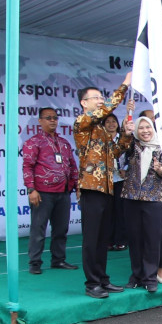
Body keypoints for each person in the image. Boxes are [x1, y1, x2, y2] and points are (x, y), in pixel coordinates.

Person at [74, 73, 133, 299]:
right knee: (92, 238)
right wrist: (124, 85)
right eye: (96, 97)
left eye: (101, 97)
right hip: (91, 188)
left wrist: (126, 137)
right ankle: (92, 283)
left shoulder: (100, 130)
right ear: (84, 103)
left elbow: (115, 153)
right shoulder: (82, 122)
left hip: (107, 187)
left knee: (103, 237)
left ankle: (102, 279)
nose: (100, 100)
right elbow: (106, 109)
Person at [21, 107, 79, 275]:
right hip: (42, 192)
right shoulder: (34, 142)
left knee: (61, 229)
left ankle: (58, 260)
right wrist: (31, 189)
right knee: (38, 228)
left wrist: (76, 186)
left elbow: (72, 166)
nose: (52, 120)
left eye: (54, 117)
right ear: (40, 121)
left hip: (63, 192)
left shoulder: (64, 143)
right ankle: (35, 263)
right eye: (48, 118)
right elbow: (28, 166)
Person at [121, 116, 162, 293]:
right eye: (141, 128)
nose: (145, 131)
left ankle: (150, 277)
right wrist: (127, 126)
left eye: (148, 127)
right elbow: (122, 145)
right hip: (132, 198)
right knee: (135, 239)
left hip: (155, 200)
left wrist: (160, 170)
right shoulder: (132, 146)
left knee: (152, 240)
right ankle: (137, 276)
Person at [103, 113, 128, 252]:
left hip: (121, 179)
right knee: (108, 211)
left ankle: (121, 240)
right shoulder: (100, 140)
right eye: (108, 122)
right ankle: (108, 240)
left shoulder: (123, 139)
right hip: (106, 180)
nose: (111, 124)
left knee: (121, 211)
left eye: (114, 121)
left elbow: (130, 157)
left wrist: (125, 169)